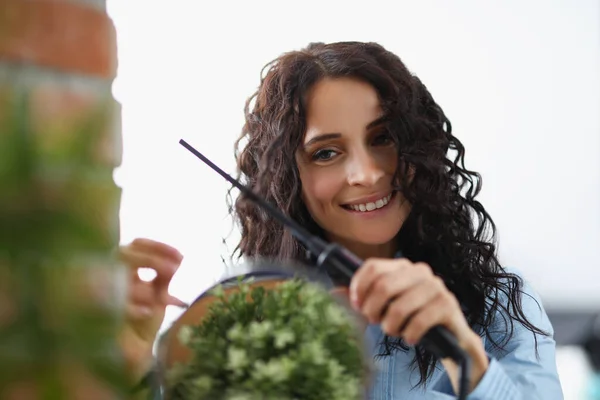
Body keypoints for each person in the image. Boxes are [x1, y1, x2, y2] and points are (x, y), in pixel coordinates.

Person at [119, 41, 564, 399]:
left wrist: (466, 356)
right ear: (288, 177)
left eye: (383, 138)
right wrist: (134, 369)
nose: (367, 174)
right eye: (326, 153)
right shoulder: (238, 319)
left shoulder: (502, 307)